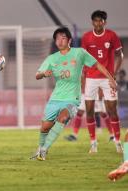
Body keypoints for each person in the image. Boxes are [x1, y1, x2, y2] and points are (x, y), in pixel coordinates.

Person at [30, 27, 116, 161]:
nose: (59, 40)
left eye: (62, 37)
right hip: (55, 98)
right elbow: (37, 75)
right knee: (45, 127)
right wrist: (43, 74)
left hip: (73, 99)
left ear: (69, 40)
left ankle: (44, 150)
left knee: (63, 118)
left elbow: (97, 65)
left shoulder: (79, 53)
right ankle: (39, 149)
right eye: (57, 38)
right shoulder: (52, 58)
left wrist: (110, 78)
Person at [82, 10, 124, 153]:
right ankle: (93, 143)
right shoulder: (86, 37)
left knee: (112, 110)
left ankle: (118, 142)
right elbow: (83, 59)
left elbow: (120, 55)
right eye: (96, 20)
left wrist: (114, 73)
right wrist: (82, 77)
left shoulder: (111, 35)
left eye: (101, 21)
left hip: (107, 79)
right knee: (89, 110)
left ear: (105, 22)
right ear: (92, 22)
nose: (98, 23)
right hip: (91, 78)